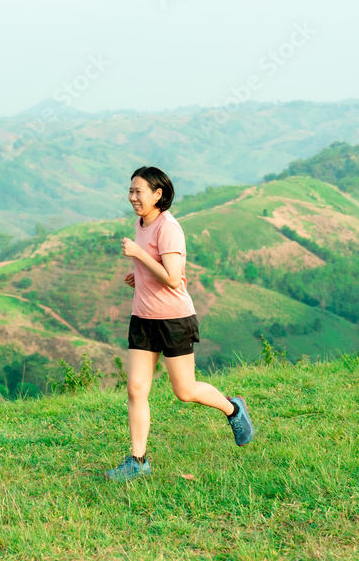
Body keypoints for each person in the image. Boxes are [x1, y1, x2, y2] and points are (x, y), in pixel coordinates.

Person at [105, 166, 255, 482]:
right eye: (130, 191)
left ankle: (234, 409)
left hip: (173, 319)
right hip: (143, 317)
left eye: (138, 192)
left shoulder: (168, 228)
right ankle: (138, 461)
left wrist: (138, 256)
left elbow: (174, 278)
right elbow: (158, 268)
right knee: (135, 388)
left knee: (185, 391)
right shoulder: (140, 223)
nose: (132, 197)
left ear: (158, 194)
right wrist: (140, 276)